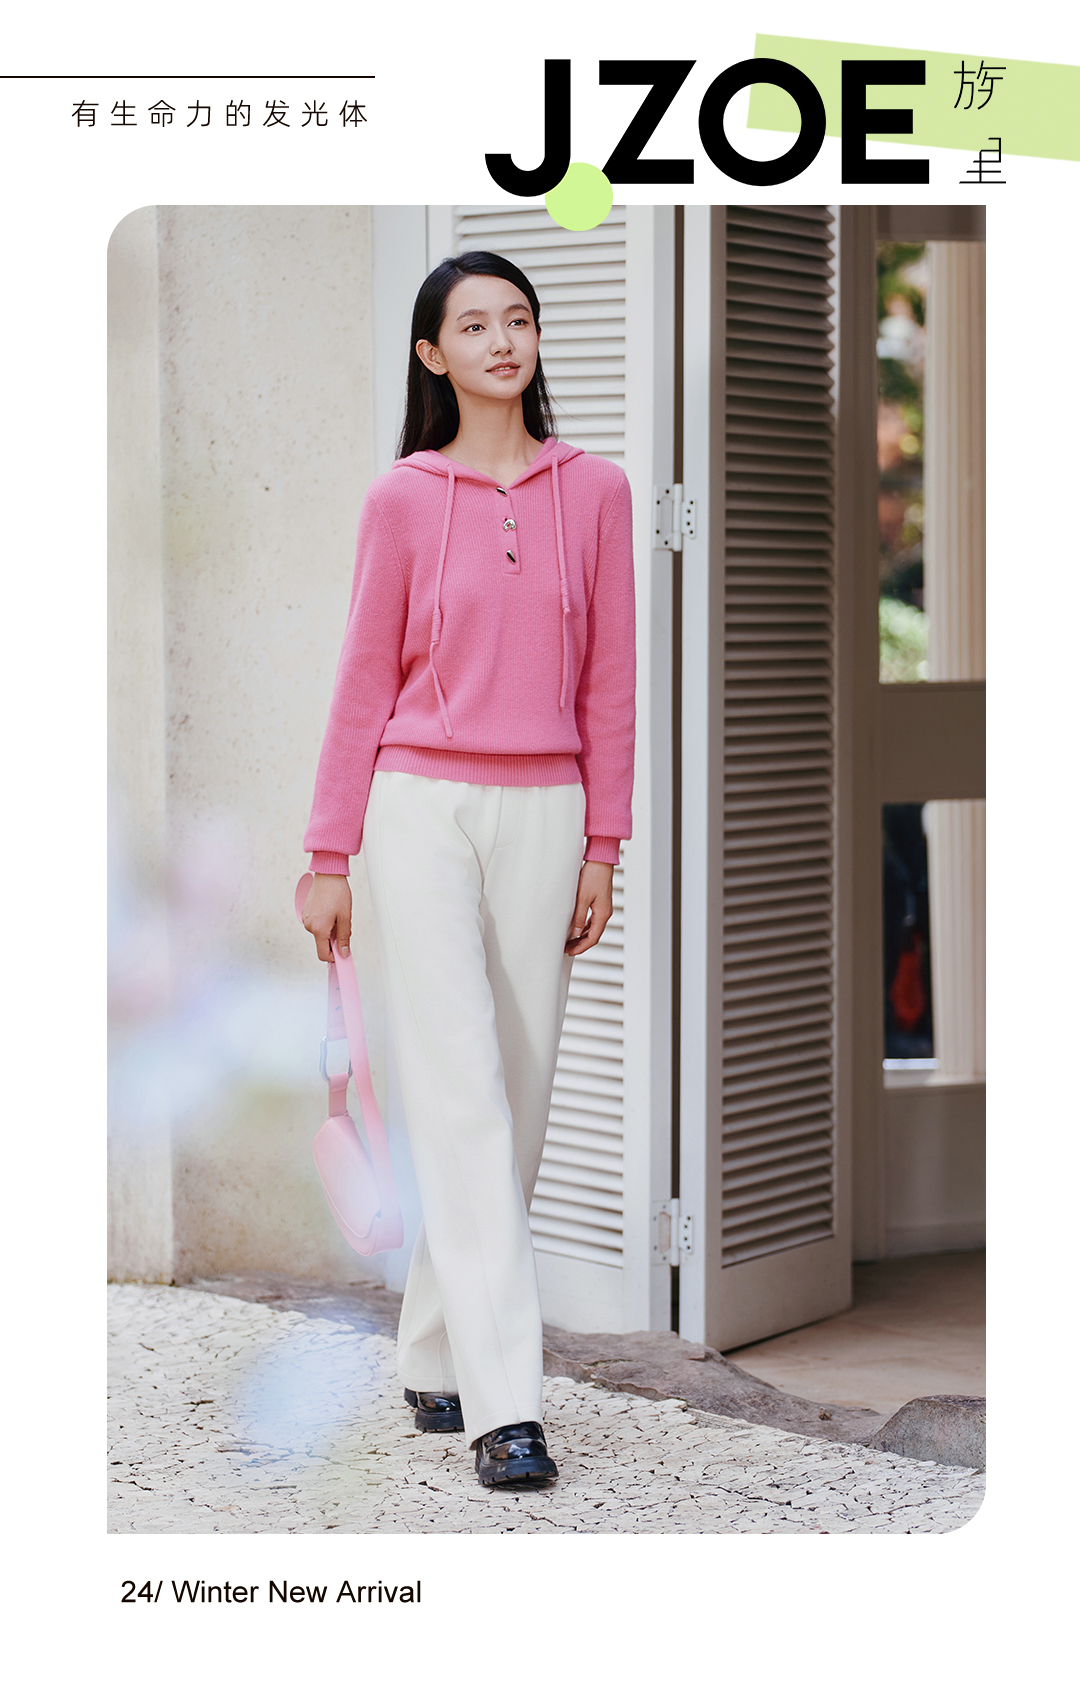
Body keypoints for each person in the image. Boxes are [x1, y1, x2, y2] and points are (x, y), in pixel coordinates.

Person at [301, 249, 635, 1487]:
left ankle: (435, 1348)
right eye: (476, 324)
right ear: (432, 354)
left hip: (548, 811)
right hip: (419, 809)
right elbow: (361, 680)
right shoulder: (401, 499)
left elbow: (611, 681)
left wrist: (605, 842)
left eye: (519, 320)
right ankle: (507, 1410)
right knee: (460, 1093)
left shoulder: (594, 492)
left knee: (518, 1102)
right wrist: (327, 850)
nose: (503, 340)